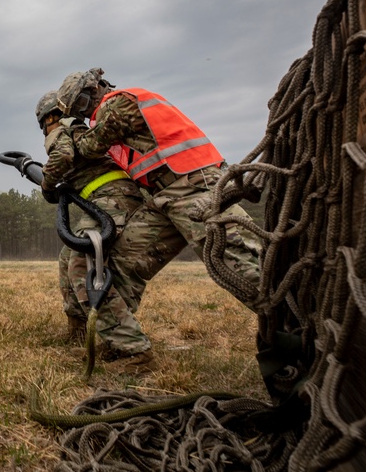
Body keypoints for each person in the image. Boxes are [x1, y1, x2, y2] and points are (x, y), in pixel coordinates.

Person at [55, 69, 262, 311]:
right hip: (162, 197)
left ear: (95, 87)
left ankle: (299, 330)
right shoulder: (113, 111)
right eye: (76, 112)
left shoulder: (119, 103)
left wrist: (72, 132)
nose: (83, 112)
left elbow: (90, 147)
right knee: (122, 265)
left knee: (237, 267)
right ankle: (128, 346)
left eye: (81, 104)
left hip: (193, 186)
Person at [36, 90, 186, 371]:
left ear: (47, 118)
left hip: (111, 199)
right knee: (68, 257)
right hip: (117, 197)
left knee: (83, 264)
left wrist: (47, 185)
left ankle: (132, 351)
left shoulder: (59, 131)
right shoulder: (80, 130)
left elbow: (63, 157)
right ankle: (80, 328)